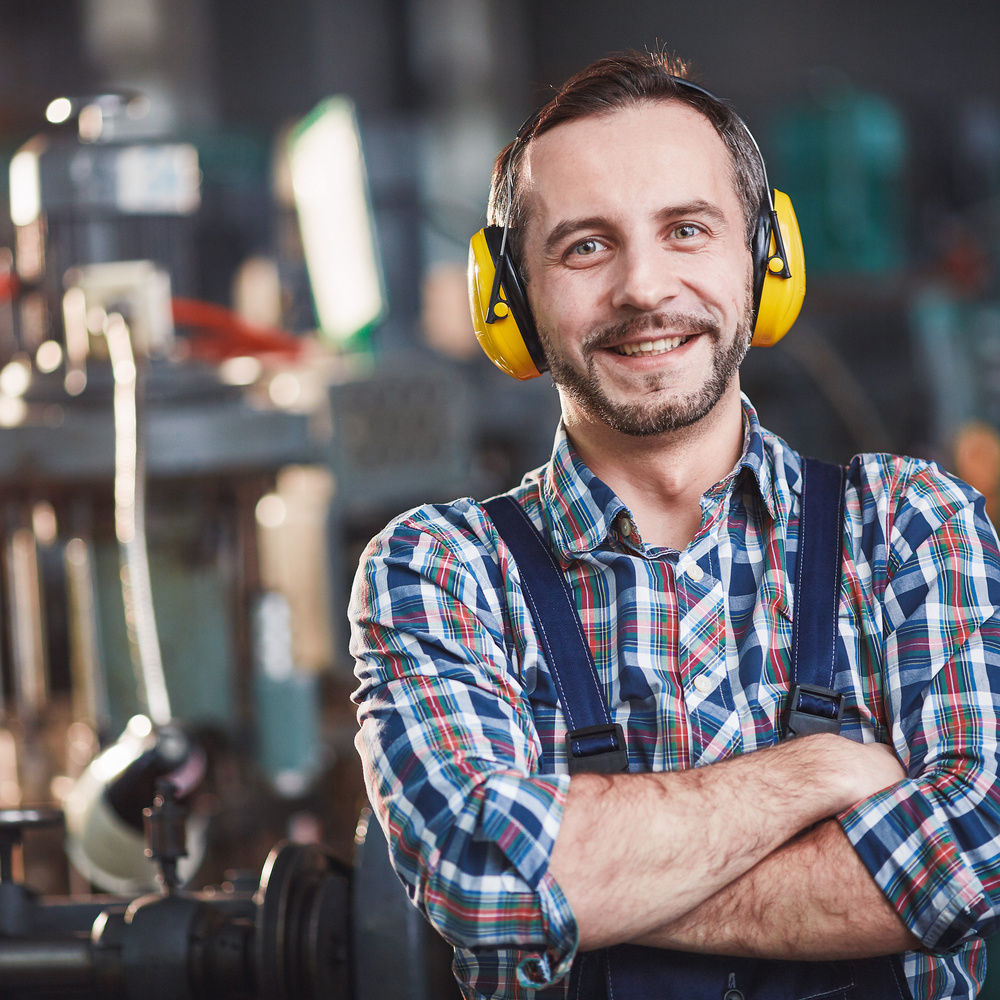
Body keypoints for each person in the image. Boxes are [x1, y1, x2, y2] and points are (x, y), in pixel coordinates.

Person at [349, 50, 1000, 1000]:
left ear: (764, 257)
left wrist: (595, 886)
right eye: (584, 247)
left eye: (687, 229)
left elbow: (976, 853)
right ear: (511, 298)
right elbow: (489, 881)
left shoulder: (910, 524)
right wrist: (820, 772)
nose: (644, 289)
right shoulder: (438, 568)